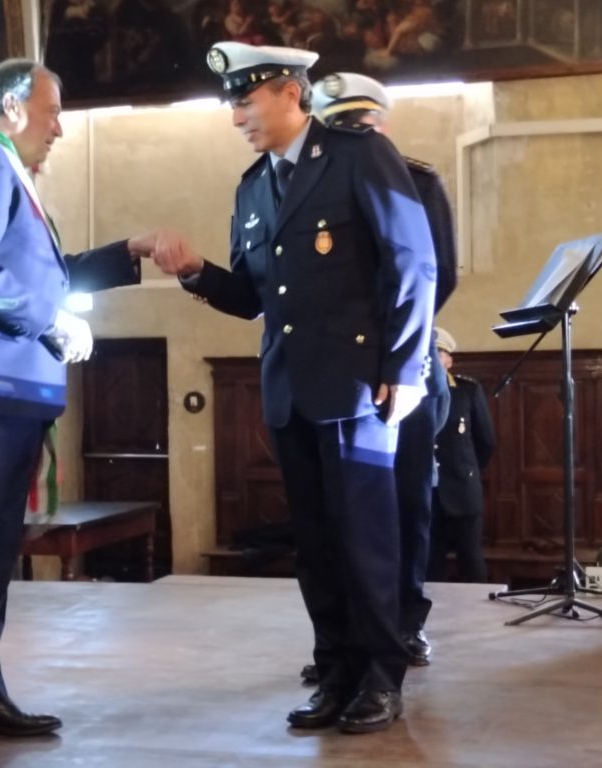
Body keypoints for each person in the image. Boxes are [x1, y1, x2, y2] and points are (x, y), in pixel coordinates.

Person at [0, 59, 177, 761]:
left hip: (4, 391)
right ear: (13, 107)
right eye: (52, 113)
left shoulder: (6, 171)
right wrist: (49, 322)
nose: (59, 130)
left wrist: (128, 251)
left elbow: (39, 276)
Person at [153, 41, 436, 733]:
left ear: (288, 91)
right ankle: (335, 673)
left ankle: (380, 676)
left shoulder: (358, 155)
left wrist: (404, 368)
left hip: (359, 389)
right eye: (232, 106)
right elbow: (253, 298)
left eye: (245, 102)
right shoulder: (252, 188)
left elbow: (414, 262)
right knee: (316, 546)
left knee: (365, 541)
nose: (236, 118)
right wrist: (195, 272)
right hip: (289, 393)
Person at [309, 71, 457, 670]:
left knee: (407, 501)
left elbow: (438, 275)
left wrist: (392, 350)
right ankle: (350, 636)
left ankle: (405, 622)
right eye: (340, 124)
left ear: (382, 123)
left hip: (406, 362)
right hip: (339, 372)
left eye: (362, 122)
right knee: (340, 512)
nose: (354, 133)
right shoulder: (305, 183)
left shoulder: (416, 180)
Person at [428, 328, 496, 583]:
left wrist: (467, 470)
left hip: (462, 490)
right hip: (427, 493)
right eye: (427, 354)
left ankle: (477, 609)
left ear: (449, 361)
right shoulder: (412, 393)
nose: (432, 359)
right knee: (429, 563)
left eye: (438, 354)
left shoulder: (467, 391)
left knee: (471, 560)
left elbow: (486, 441)